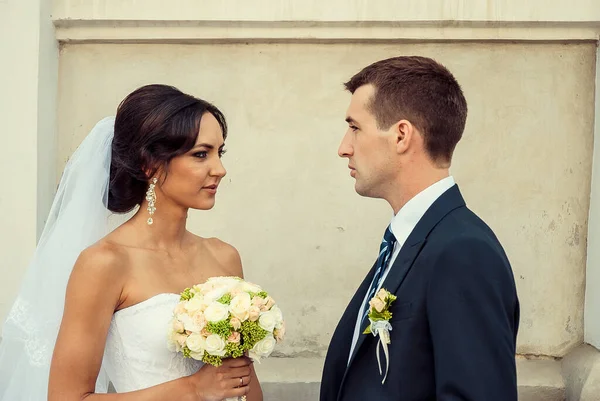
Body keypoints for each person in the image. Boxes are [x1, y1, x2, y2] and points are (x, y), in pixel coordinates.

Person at [0, 84, 262, 401]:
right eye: (200, 154)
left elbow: (246, 387)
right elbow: (67, 398)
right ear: (149, 163)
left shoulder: (224, 257)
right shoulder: (105, 263)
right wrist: (192, 389)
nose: (219, 169)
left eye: (219, 153)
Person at [320, 56, 520, 401]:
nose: (344, 148)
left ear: (401, 135)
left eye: (355, 128)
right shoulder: (410, 241)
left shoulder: (463, 251)